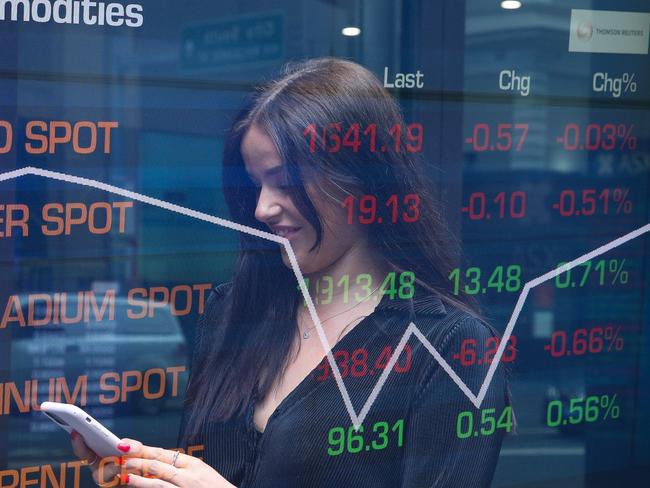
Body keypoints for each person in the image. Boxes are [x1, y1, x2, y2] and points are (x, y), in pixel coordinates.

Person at [70, 57, 510, 487]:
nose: (262, 208)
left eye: (284, 181)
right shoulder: (232, 311)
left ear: (362, 177)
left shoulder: (451, 347)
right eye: (256, 183)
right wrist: (150, 473)